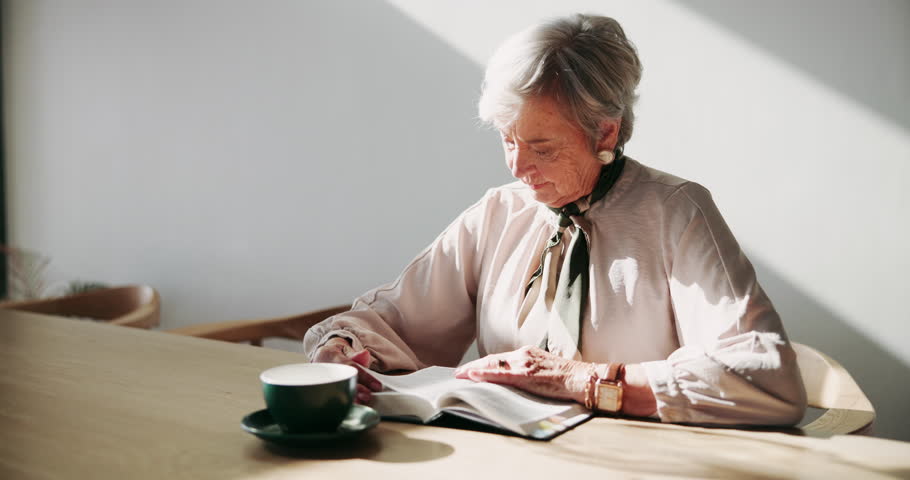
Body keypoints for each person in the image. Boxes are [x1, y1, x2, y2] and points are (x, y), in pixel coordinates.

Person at [304, 14, 807, 425]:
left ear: (605, 133)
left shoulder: (677, 213)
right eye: (507, 139)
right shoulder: (501, 211)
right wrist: (343, 349)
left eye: (542, 148)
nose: (516, 166)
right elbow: (394, 321)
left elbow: (765, 377)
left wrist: (579, 380)